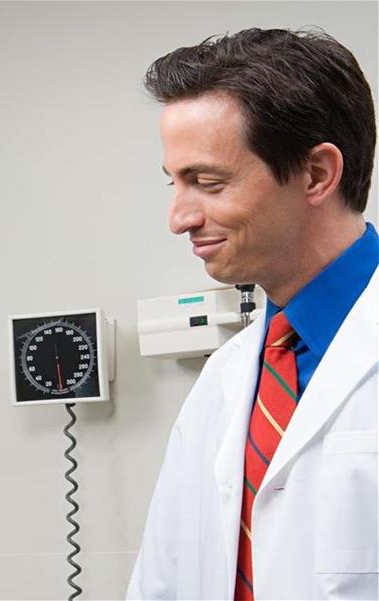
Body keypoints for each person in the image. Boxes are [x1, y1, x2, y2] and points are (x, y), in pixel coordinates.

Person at [127, 29, 377, 599]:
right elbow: (162, 583)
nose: (180, 218)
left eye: (206, 182)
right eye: (175, 183)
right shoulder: (224, 382)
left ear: (316, 174)